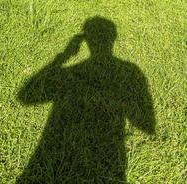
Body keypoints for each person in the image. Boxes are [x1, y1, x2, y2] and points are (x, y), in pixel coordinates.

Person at [17, 16, 155, 183]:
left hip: (59, 155)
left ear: (87, 40)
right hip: (109, 157)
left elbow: (26, 96)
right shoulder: (131, 70)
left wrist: (64, 56)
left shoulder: (72, 73)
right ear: (114, 38)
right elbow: (146, 123)